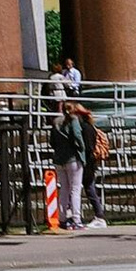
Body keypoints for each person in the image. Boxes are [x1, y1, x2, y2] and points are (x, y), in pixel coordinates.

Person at [47, 88, 107, 234]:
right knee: (75, 189)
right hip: (73, 159)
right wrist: (80, 151)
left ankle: (62, 219)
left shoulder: (55, 122)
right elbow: (78, 138)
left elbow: (52, 142)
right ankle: (76, 219)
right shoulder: (73, 120)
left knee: (64, 189)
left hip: (59, 159)